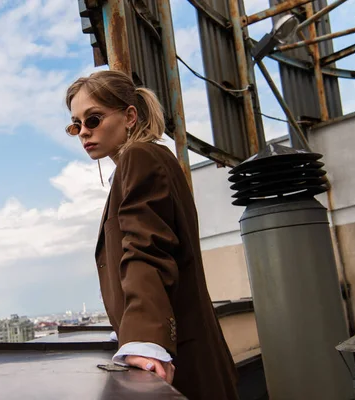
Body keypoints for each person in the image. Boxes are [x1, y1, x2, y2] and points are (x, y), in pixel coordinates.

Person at [65, 70, 239, 400]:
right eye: (76, 125)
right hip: (190, 355)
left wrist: (146, 342)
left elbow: (147, 249)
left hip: (179, 364)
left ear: (130, 115)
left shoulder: (139, 156)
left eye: (94, 119)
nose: (84, 132)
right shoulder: (148, 159)